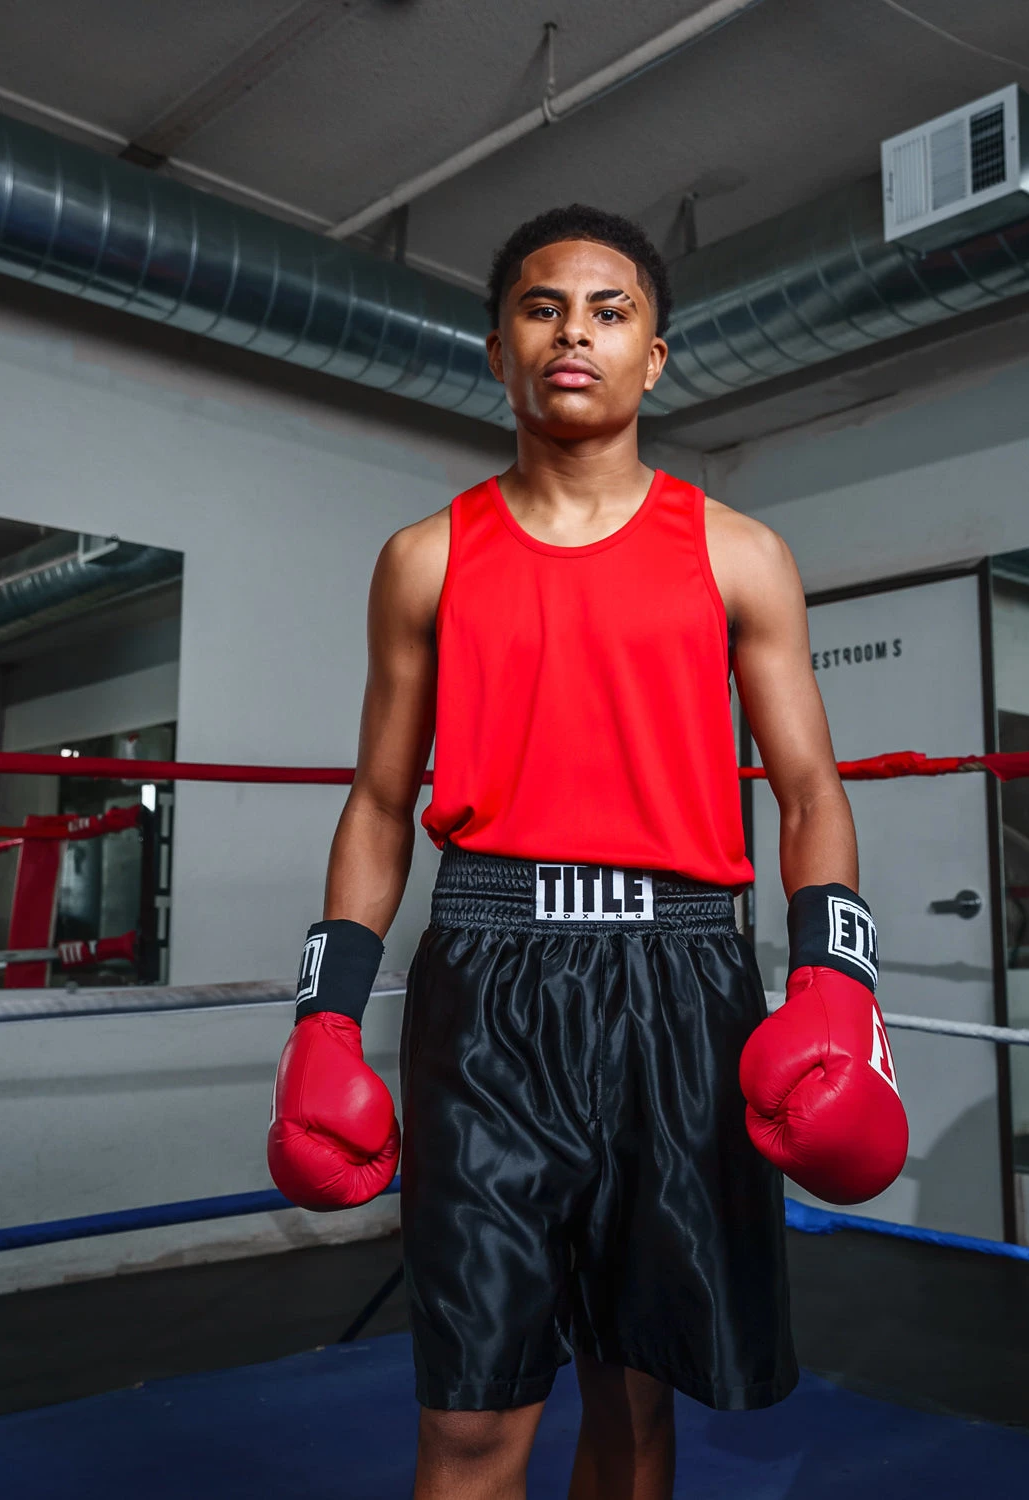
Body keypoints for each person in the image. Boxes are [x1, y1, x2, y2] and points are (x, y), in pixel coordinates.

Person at [267, 204, 908, 1500]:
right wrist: (322, 1019)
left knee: (635, 1398)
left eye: (610, 312)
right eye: (542, 307)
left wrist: (837, 981)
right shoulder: (426, 559)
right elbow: (380, 804)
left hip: (681, 982)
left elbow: (811, 793)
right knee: (469, 1420)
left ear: (653, 357)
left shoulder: (739, 553)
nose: (575, 333)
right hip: (488, 988)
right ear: (498, 348)